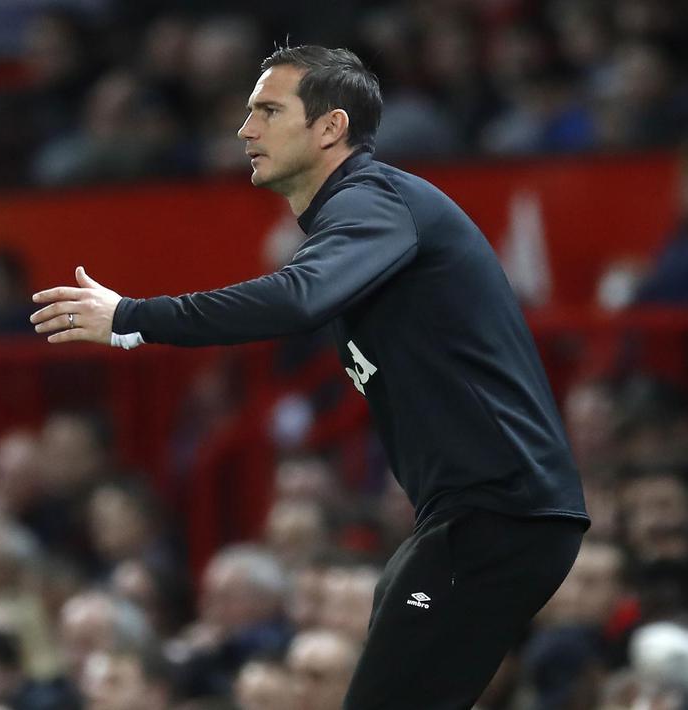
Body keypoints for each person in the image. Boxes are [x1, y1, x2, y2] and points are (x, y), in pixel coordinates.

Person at [31, 44, 589, 709]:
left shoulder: (372, 199)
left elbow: (297, 297)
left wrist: (130, 316)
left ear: (330, 128)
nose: (244, 131)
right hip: (477, 516)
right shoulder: (358, 218)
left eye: (267, 110)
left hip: (499, 512)